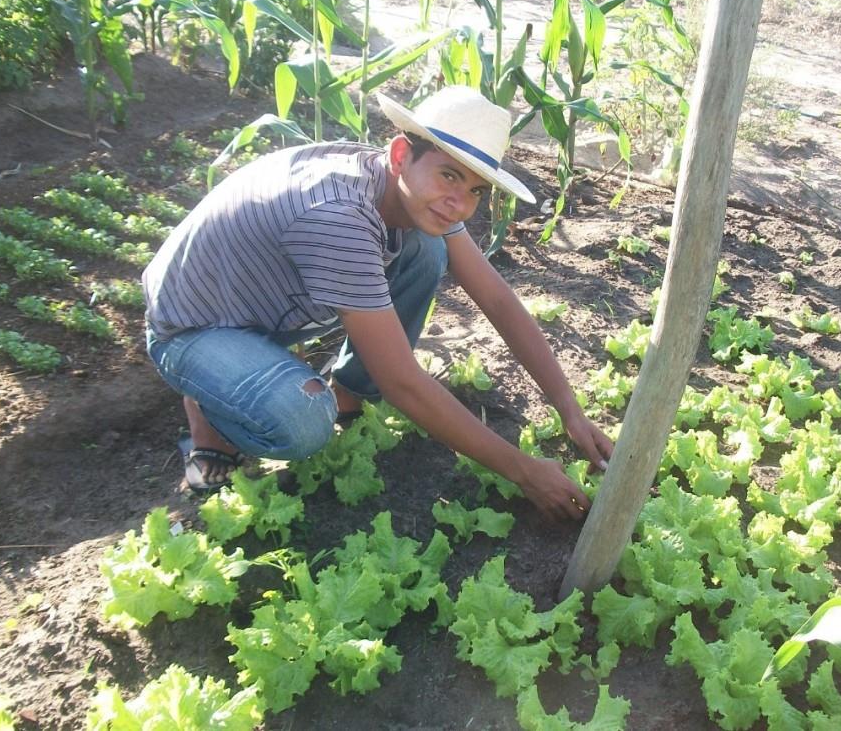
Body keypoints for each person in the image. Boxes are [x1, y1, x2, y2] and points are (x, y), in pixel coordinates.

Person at [141, 86, 613, 523]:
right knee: (303, 421)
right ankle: (206, 416)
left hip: (262, 301)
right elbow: (403, 383)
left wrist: (568, 409)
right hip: (193, 325)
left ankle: (344, 392)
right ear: (401, 154)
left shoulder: (413, 193)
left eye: (475, 190)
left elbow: (494, 296)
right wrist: (523, 470)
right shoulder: (340, 217)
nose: (460, 202)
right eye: (450, 175)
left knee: (428, 248)